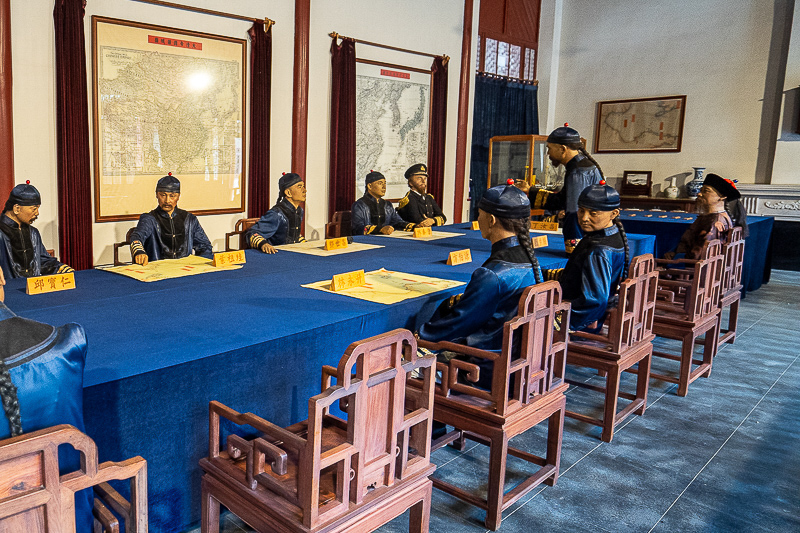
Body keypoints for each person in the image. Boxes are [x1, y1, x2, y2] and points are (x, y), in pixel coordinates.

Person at [417, 184, 542, 389]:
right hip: (518, 363)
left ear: (491, 220)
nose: (478, 219)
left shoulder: (493, 274)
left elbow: (461, 322)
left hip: (486, 369)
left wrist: (422, 336)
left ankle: (434, 420)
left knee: (405, 367)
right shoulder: (529, 259)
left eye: (480, 214)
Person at [541, 183, 630, 332]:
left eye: (593, 213)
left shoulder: (599, 250)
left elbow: (595, 300)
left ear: (614, 213)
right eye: (581, 211)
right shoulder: (610, 235)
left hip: (583, 319)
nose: (584, 218)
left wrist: (560, 321)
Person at [515, 124, 603, 253]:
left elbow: (574, 211)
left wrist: (573, 248)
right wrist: (530, 190)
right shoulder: (583, 165)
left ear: (562, 149)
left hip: (584, 241)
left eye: (550, 149)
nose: (548, 154)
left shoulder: (577, 172)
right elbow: (562, 199)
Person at [129, 173, 213, 265]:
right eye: (163, 195)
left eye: (172, 196)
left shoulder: (189, 219)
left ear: (178, 196)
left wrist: (202, 266)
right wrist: (139, 252)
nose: (167, 201)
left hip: (185, 270)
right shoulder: (149, 219)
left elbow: (204, 246)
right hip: (157, 271)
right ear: (156, 195)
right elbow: (137, 237)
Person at [0, 182, 73, 279]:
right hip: (7, 290)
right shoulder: (1, 233)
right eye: (34, 209)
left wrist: (59, 268)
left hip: (33, 287)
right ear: (17, 209)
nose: (37, 213)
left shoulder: (33, 233)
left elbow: (41, 260)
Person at [664, 173, 738, 260]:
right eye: (700, 190)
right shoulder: (711, 217)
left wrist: (676, 258)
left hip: (697, 267)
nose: (699, 194)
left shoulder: (715, 221)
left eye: (706, 191)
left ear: (722, 196)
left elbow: (699, 253)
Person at [246, 172, 307, 254]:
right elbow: (252, 233)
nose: (304, 190)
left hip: (293, 253)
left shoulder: (299, 211)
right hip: (277, 254)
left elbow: (292, 235)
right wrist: (264, 244)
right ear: (288, 193)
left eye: (303, 186)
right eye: (299, 187)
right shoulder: (277, 213)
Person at [351, 171, 415, 235]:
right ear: (369, 186)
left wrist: (415, 226)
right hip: (366, 241)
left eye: (385, 183)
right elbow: (357, 228)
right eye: (380, 183)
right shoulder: (359, 205)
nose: (384, 187)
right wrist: (380, 229)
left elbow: (397, 222)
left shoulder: (387, 205)